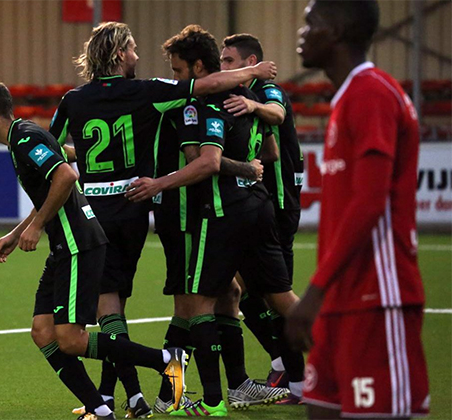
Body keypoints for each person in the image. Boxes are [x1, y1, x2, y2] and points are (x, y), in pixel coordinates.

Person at [49, 21, 277, 417]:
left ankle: (139, 394)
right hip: (137, 208)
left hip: (97, 210)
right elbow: (205, 86)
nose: (138, 55)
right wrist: (253, 73)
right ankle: (139, 395)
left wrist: (81, 154)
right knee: (139, 303)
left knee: (114, 309)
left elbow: (54, 148)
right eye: (133, 48)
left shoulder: (74, 99)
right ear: (121, 54)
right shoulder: (146, 91)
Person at [0, 78, 189, 420]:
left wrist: (37, 226)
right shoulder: (20, 140)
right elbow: (51, 188)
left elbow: (66, 177)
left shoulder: (26, 137)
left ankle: (165, 361)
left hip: (78, 244)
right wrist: (18, 233)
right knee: (43, 333)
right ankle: (100, 409)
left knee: (70, 339)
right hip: (64, 246)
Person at [126, 25, 292, 416]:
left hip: (201, 212)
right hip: (209, 209)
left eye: (180, 71)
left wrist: (239, 168)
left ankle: (206, 392)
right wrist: (248, 169)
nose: (176, 78)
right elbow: (263, 150)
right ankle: (205, 390)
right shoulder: (228, 97)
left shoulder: (201, 102)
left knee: (208, 300)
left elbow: (209, 161)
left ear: (198, 67)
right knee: (214, 299)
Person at [286, 1, 430, 418]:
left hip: (377, 298)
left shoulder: (371, 93)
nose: (302, 31)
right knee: (320, 409)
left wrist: (312, 292)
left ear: (338, 30)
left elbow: (370, 202)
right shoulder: (347, 97)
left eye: (311, 21)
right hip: (338, 303)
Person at [220, 33, 306, 402]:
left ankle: (309, 375)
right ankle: (282, 364)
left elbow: (278, 114)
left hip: (277, 205)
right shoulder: (232, 95)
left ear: (250, 61)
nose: (222, 66)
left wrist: (252, 106)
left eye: (228, 60)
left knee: (275, 296)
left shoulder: (263, 89)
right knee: (241, 292)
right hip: (250, 207)